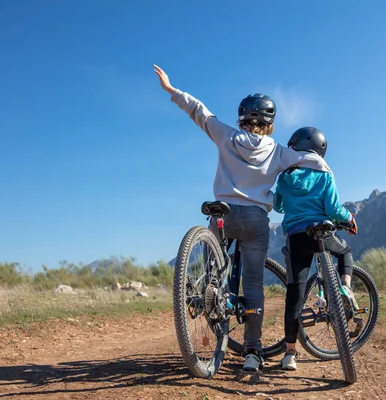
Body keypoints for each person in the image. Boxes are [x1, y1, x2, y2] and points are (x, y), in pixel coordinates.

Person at [153, 65, 333, 372]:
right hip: (255, 220)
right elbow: (310, 158)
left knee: (215, 266)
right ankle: (252, 353)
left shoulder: (226, 136)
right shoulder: (278, 152)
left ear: (242, 117)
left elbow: (200, 112)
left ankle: (209, 291)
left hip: (222, 212)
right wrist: (325, 170)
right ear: (270, 122)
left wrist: (171, 90)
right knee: (252, 286)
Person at [273, 126, 358, 371]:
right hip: (321, 232)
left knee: (295, 295)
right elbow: (333, 208)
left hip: (297, 236)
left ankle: (289, 353)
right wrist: (349, 218)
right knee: (344, 252)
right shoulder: (325, 173)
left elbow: (278, 206)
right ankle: (345, 289)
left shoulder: (286, 176)